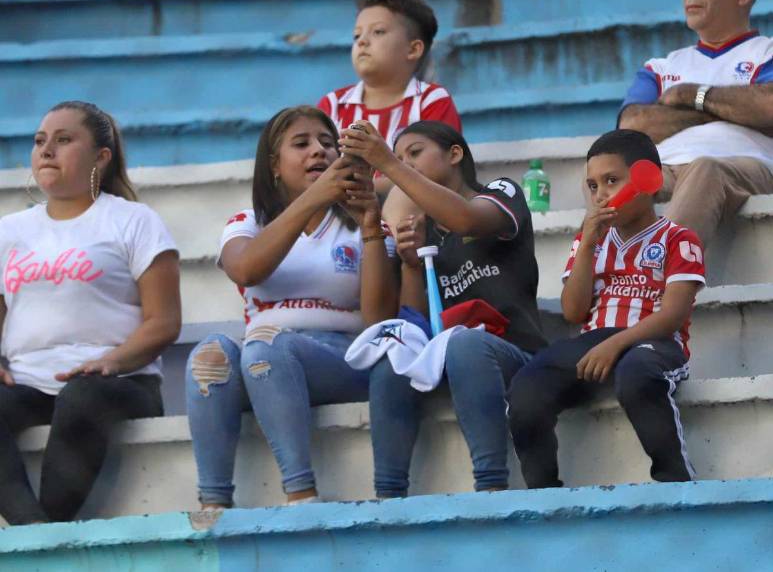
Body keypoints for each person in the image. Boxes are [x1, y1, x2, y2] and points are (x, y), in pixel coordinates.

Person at [186, 106, 397, 509]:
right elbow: (246, 268)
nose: (318, 151)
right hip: (260, 362)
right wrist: (314, 197)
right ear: (274, 166)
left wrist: (371, 225)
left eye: (326, 143)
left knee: (266, 344)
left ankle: (301, 493)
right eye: (301, 144)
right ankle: (213, 505)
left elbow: (379, 322)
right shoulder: (248, 221)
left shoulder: (366, 224)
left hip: (343, 357)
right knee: (210, 353)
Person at [339, 120, 547, 498]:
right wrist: (411, 265)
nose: (406, 163)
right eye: (400, 156)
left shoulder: (500, 190)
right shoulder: (423, 230)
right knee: (394, 356)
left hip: (514, 353)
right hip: (449, 359)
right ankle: (388, 498)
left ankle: (491, 486)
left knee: (465, 344)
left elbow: (466, 218)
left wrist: (388, 163)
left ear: (455, 154)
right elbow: (420, 322)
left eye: (415, 153)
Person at [0, 101, 181, 525]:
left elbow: (164, 322)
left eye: (64, 140)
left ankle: (41, 542)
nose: (47, 151)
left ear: (102, 156)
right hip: (29, 384)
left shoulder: (134, 221)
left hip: (117, 383)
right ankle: (38, 535)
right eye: (40, 141)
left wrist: (110, 361)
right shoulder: (9, 231)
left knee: (82, 394)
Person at [507, 129, 706, 489]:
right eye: (593, 186)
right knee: (526, 386)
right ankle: (543, 490)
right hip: (594, 342)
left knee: (638, 373)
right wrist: (586, 246)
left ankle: (674, 479)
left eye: (611, 181)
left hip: (653, 343)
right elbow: (573, 311)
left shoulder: (679, 238)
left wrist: (617, 344)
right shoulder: (590, 240)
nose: (601, 195)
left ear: (648, 180)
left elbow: (672, 316)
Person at [618, 0, 773, 247]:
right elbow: (632, 125)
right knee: (614, 176)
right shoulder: (661, 67)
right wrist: (729, 109)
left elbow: (768, 106)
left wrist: (688, 94)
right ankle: (593, 278)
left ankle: (659, 276)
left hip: (742, 166)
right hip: (664, 167)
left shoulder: (766, 52)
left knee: (705, 168)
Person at [317, 0, 462, 230]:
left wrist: (369, 187)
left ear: (413, 49)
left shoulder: (430, 100)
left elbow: (438, 172)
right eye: (357, 35)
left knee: (406, 192)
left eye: (378, 32)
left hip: (408, 213)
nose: (362, 41)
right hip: (342, 210)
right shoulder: (333, 104)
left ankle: (391, 254)